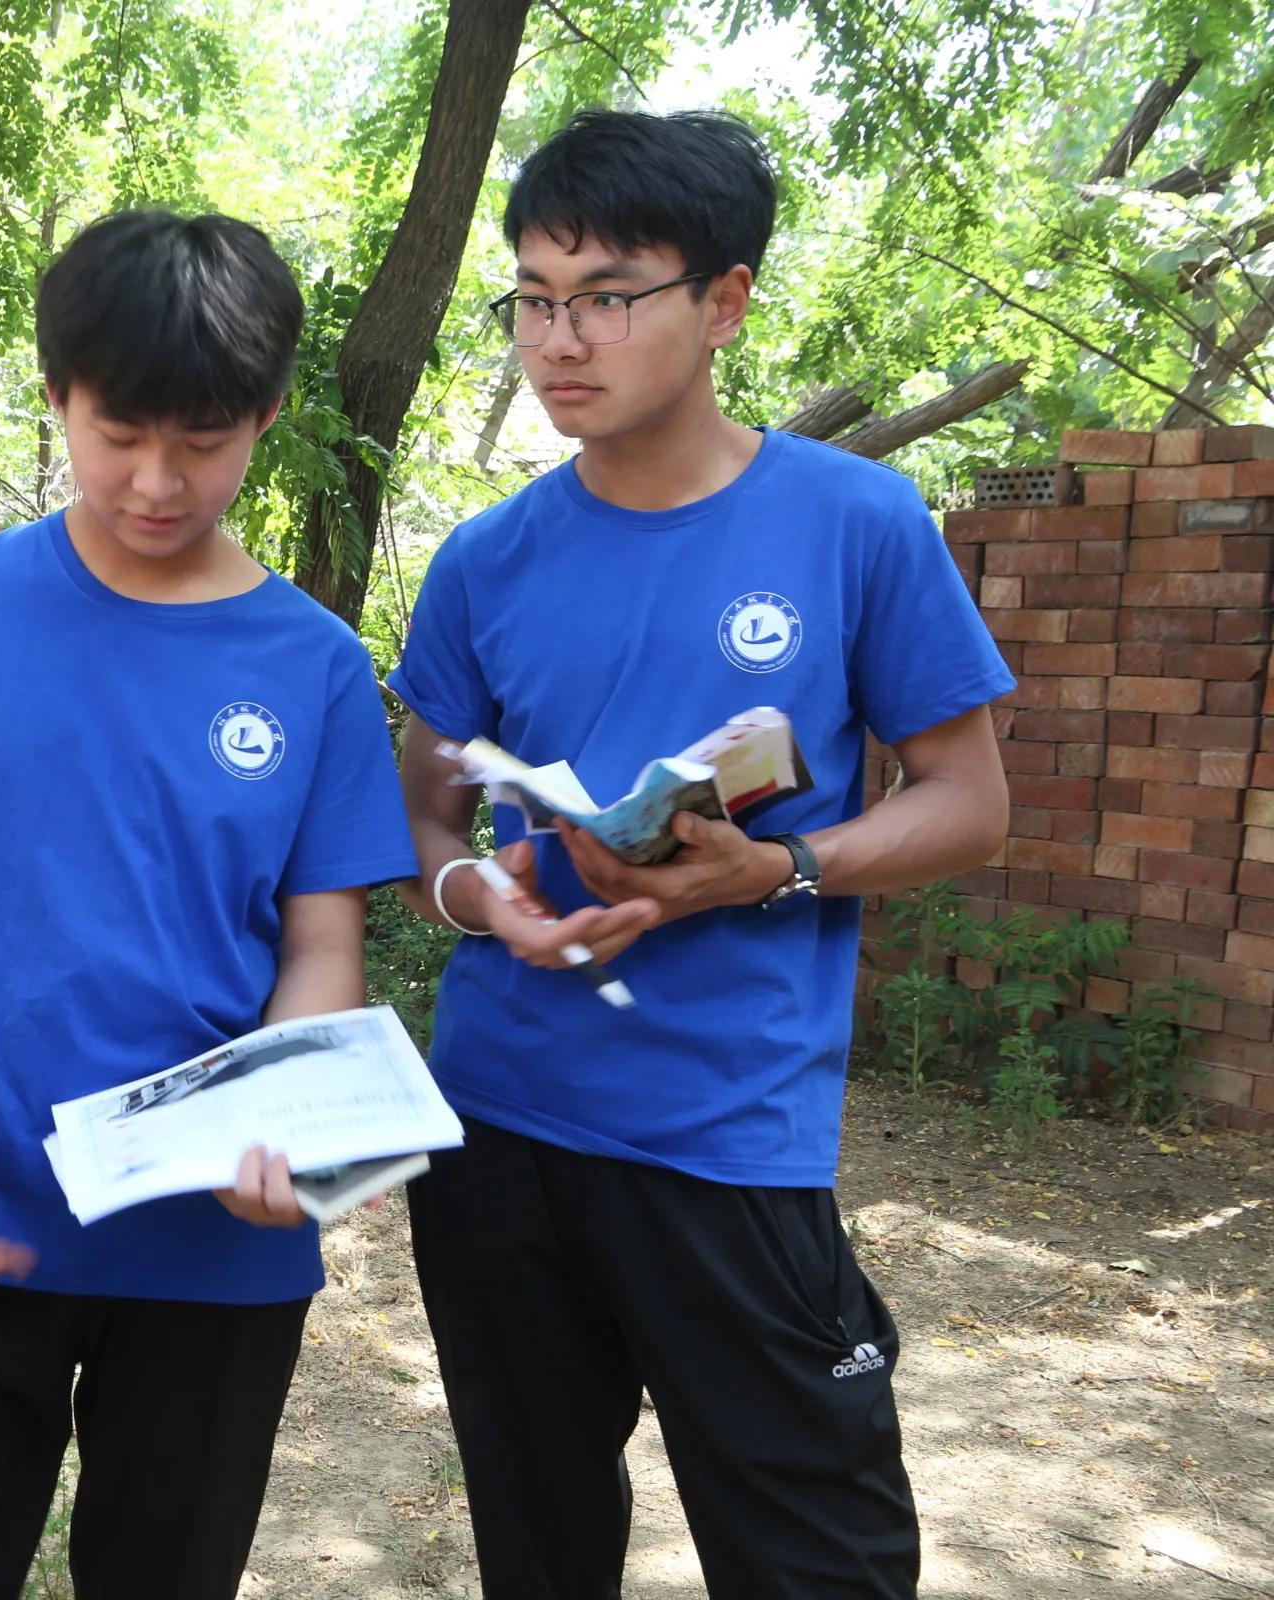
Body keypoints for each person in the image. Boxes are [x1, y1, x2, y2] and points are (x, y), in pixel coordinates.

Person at [388, 110, 1012, 1597]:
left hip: (727, 1139)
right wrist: (481, 899)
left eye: (606, 295)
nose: (558, 339)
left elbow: (973, 803)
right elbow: (420, 816)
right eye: (532, 297)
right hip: (499, 1134)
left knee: (816, 1554)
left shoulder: (855, 522)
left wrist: (777, 871)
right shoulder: (488, 558)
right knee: (538, 1549)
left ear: (724, 300)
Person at [0, 210, 418, 1600]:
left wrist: (285, 1130)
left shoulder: (311, 665)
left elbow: (321, 944)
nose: (154, 478)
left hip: (215, 1248)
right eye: (119, 431)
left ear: (263, 417)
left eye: (202, 440)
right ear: (59, 395)